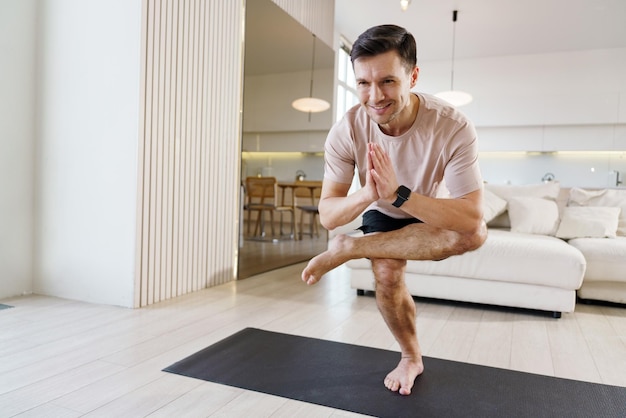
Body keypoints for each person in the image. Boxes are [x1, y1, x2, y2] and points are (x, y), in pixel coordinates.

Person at [301, 24, 487, 396]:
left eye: (387, 81)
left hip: (426, 203)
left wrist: (400, 193)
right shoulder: (346, 130)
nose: (374, 96)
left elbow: (471, 218)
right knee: (386, 273)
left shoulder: (452, 127)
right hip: (381, 205)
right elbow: (330, 215)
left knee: (475, 235)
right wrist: (370, 193)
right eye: (363, 83)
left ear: (412, 76)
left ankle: (351, 248)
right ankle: (410, 358)